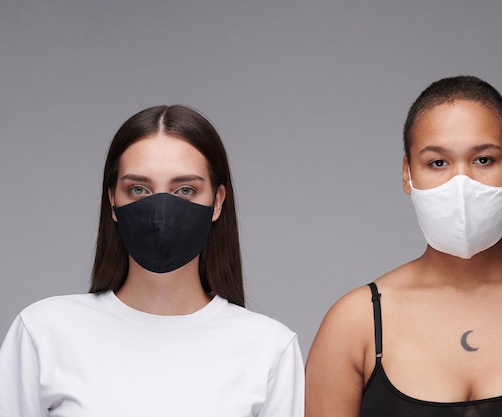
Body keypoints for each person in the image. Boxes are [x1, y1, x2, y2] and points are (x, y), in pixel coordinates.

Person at [305, 76, 502, 417]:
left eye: (484, 160)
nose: (462, 184)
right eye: (437, 163)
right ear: (407, 173)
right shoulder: (354, 325)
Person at [0, 105, 304, 416]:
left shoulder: (269, 348)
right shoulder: (43, 331)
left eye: (185, 190)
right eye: (139, 189)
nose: (160, 210)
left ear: (217, 202)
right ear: (113, 202)